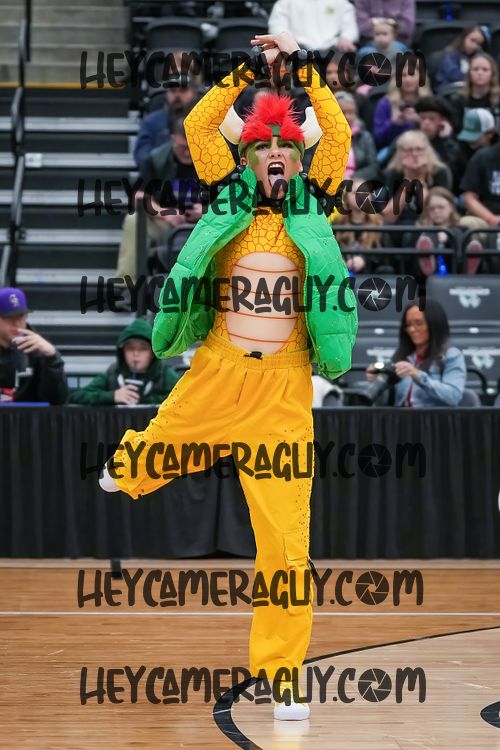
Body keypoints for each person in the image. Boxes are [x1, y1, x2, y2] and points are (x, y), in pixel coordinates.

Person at [99, 32, 358, 719]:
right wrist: (248, 70)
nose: (276, 156)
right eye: (263, 148)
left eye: (286, 149)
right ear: (246, 157)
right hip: (217, 369)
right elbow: (197, 124)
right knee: (166, 438)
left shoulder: (316, 201)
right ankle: (131, 465)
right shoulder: (226, 196)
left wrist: (301, 68)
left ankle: (282, 675)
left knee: (286, 544)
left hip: (283, 391)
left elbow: (336, 132)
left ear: (298, 160)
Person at [116, 113, 202, 283]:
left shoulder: (213, 160)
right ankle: (127, 287)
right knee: (134, 220)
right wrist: (166, 213)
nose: (187, 153)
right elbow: (139, 196)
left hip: (205, 224)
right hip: (166, 222)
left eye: (191, 147)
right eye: (182, 147)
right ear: (173, 139)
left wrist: (207, 211)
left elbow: (230, 196)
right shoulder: (156, 160)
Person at [366, 298, 466, 407]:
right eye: (408, 325)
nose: (412, 329)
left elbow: (453, 396)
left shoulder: (451, 355)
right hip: (402, 416)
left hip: (435, 417)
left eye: (418, 323)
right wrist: (377, 383)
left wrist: (418, 375)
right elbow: (388, 404)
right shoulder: (401, 357)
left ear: (434, 324)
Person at [69, 319, 180, 406]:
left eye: (143, 348)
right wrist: (112, 396)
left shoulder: (164, 373)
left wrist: (144, 400)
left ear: (152, 353)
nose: (136, 353)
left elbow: (181, 398)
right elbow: (77, 396)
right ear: (122, 352)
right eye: (130, 348)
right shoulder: (113, 373)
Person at [0, 287, 67, 404]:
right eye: (9, 317)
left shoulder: (38, 350)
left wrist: (52, 358)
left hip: (27, 415)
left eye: (21, 316)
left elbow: (57, 403)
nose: (16, 323)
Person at [410, 186, 487, 276]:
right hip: (427, 277)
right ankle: (428, 262)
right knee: (426, 236)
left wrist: (448, 236)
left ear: (451, 207)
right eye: (432, 208)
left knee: (458, 233)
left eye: (441, 207)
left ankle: (467, 265)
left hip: (457, 271)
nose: (436, 211)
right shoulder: (421, 230)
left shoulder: (463, 229)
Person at [382, 130, 452, 228]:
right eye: (409, 150)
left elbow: (436, 212)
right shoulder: (392, 173)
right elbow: (389, 218)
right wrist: (408, 181)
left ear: (427, 151)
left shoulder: (440, 172)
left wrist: (420, 179)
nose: (414, 154)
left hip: (429, 224)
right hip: (398, 224)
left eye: (419, 149)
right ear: (400, 153)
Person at [373, 56, 432, 148]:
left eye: (412, 75)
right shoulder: (386, 103)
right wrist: (394, 124)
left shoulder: (430, 102)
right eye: (403, 75)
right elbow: (378, 139)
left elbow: (436, 133)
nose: (407, 80)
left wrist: (419, 121)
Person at [460, 137, 500, 271]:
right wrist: (491, 219)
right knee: (466, 223)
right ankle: (471, 268)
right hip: (486, 219)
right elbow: (468, 197)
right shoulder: (483, 157)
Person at [332, 177, 385, 273]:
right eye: (355, 193)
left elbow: (385, 258)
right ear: (347, 197)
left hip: (370, 276)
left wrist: (365, 261)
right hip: (342, 274)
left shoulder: (379, 223)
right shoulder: (338, 223)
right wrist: (340, 261)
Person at [414, 96, 465, 193]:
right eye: (423, 118)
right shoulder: (408, 140)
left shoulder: (451, 145)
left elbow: (452, 173)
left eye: (432, 118)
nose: (426, 122)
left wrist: (446, 141)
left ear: (443, 121)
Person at [268, 0, 359, 52]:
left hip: (333, 48)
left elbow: (350, 25)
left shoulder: (341, 2)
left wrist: (346, 38)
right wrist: (289, 40)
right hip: (297, 48)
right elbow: (277, 24)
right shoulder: (285, 2)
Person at [434, 25, 488, 92]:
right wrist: (474, 77)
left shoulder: (477, 56)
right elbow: (453, 75)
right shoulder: (450, 54)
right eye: (472, 40)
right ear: (463, 38)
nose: (474, 46)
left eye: (478, 44)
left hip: (468, 90)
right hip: (449, 90)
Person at [336, 92, 377, 179]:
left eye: (351, 112)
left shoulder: (365, 137)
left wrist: (352, 177)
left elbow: (373, 167)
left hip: (356, 180)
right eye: (342, 112)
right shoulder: (322, 136)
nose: (347, 117)